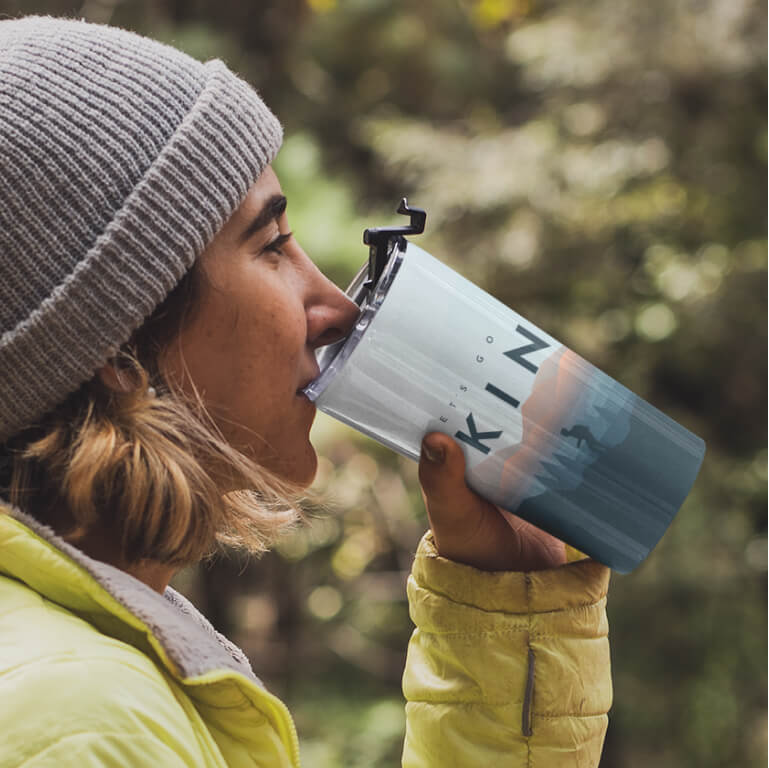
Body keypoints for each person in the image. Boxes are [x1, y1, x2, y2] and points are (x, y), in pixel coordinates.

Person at [0, 15, 612, 767]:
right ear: (120, 349)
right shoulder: (84, 722)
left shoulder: (91, 662)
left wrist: (506, 601)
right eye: (272, 245)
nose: (337, 308)